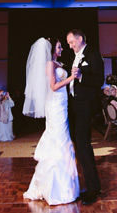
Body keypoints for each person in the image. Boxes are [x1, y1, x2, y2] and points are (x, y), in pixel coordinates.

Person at [23, 37, 80, 205]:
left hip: (62, 104)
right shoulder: (49, 64)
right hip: (55, 105)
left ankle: (66, 183)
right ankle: (56, 187)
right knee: (59, 138)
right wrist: (72, 77)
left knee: (63, 138)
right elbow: (53, 86)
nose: (62, 49)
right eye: (59, 47)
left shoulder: (56, 63)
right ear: (51, 49)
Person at [65, 29, 104, 205]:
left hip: (86, 106)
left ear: (80, 39)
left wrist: (81, 76)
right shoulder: (75, 56)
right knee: (79, 146)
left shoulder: (93, 54)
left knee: (84, 145)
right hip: (75, 106)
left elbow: (99, 80)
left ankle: (93, 189)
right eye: (68, 43)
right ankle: (89, 185)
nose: (70, 45)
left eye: (72, 42)